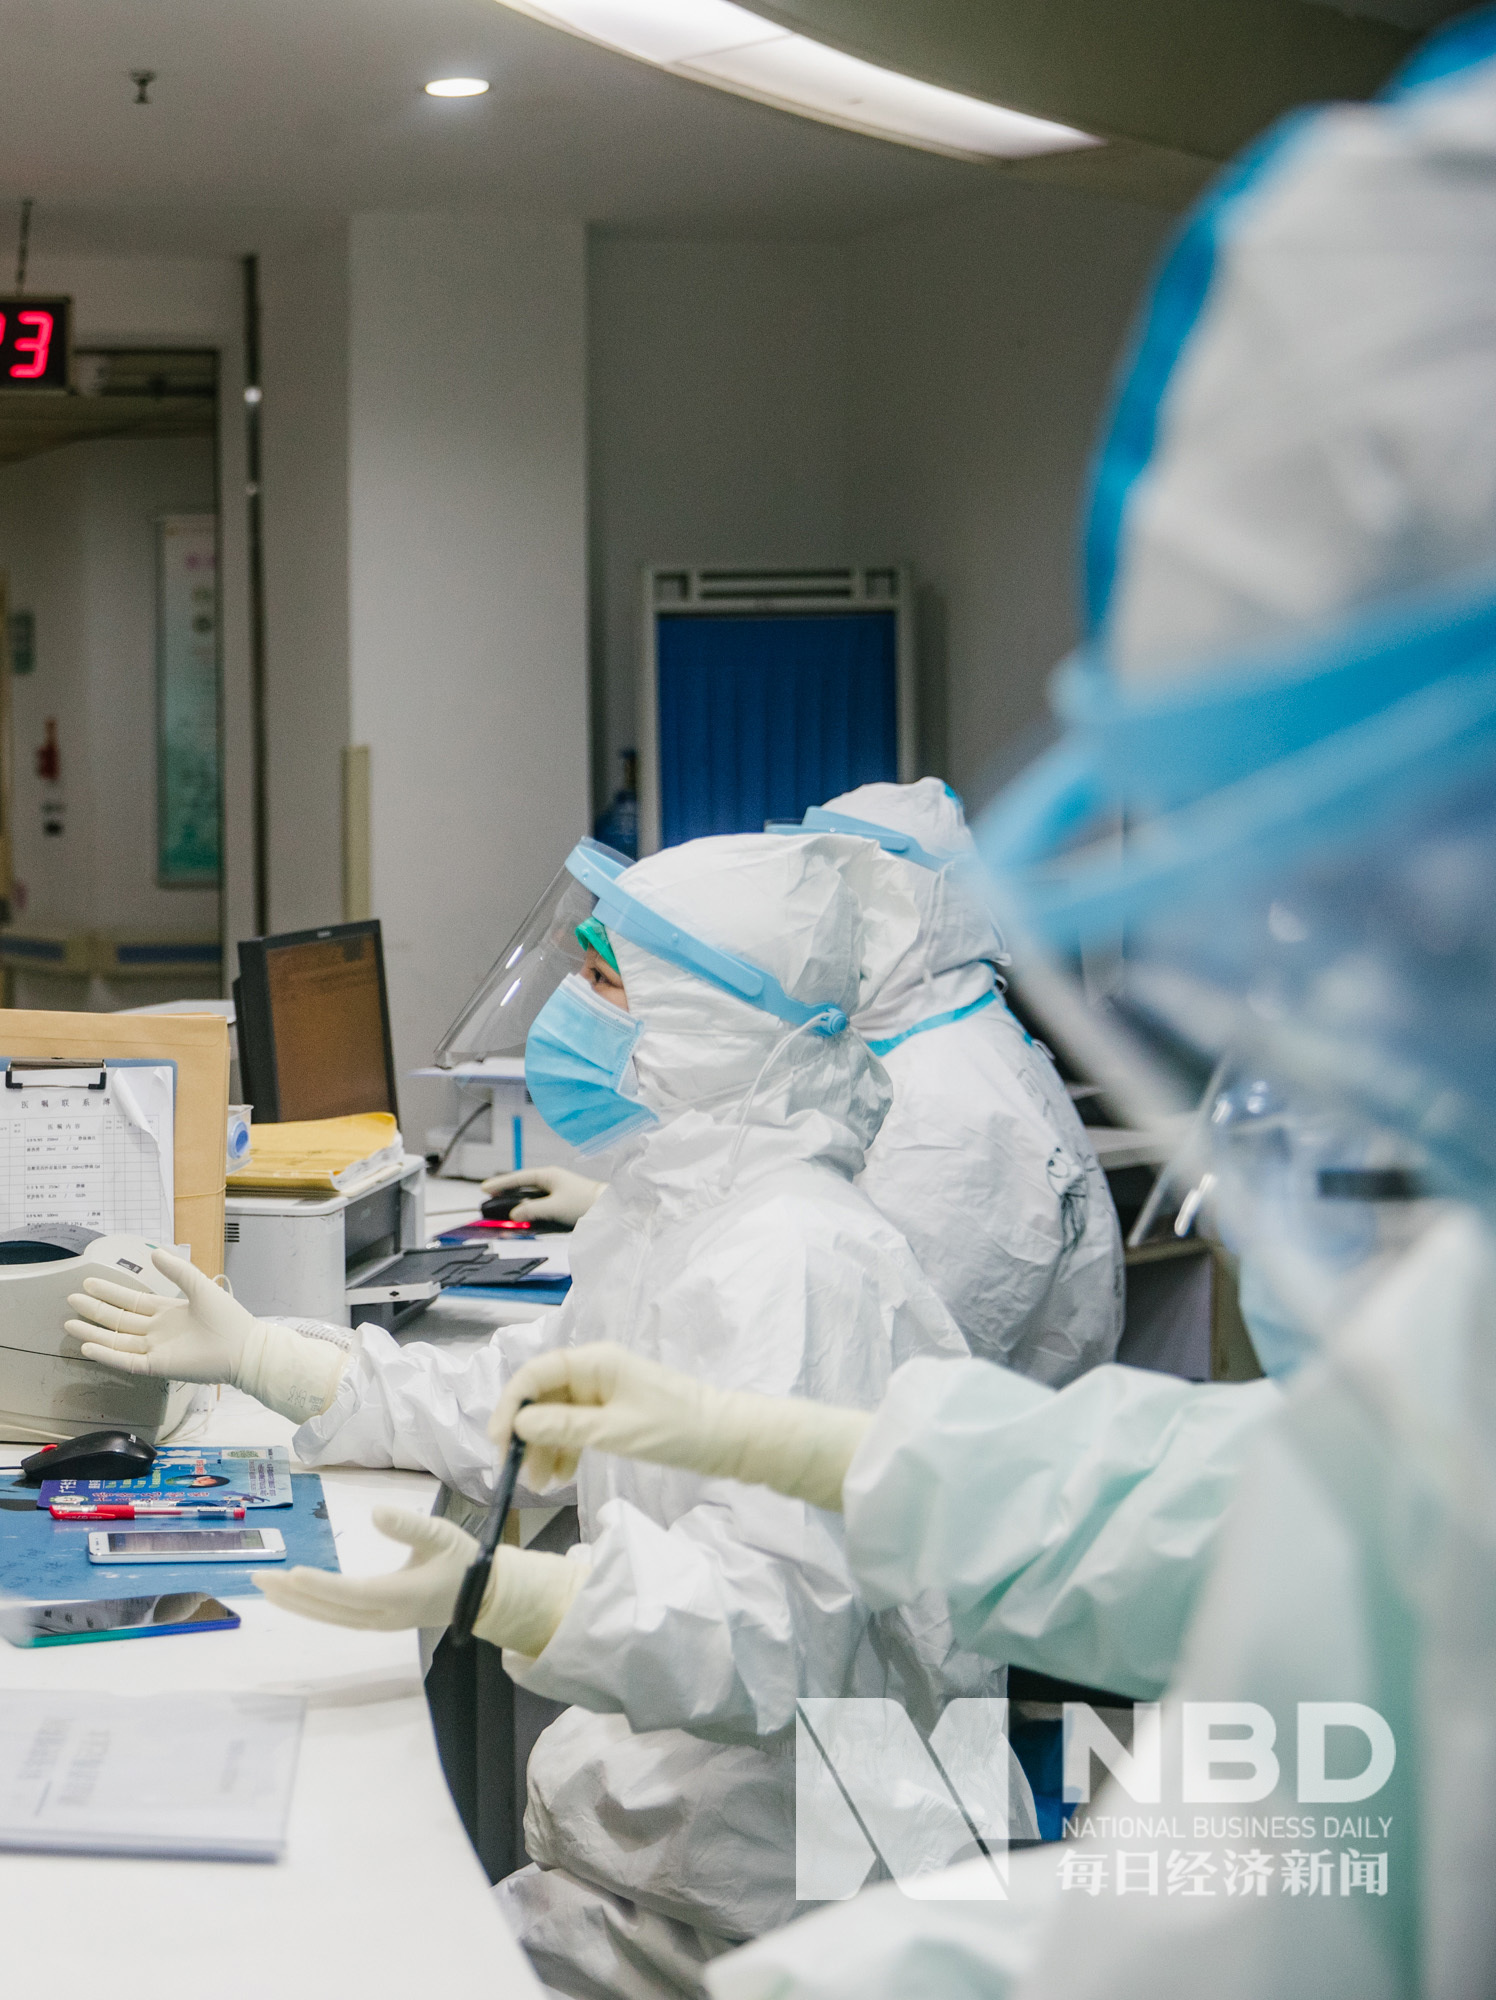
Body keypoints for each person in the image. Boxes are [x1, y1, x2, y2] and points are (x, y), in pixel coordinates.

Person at [516, 28, 1496, 1994]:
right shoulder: (939, 1084)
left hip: (886, 1732)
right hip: (921, 1705)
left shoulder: (937, 1124)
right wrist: (820, 1448)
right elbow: (1329, 1559)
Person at [69, 832, 1004, 2000]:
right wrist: (273, 1358)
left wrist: (509, 1592)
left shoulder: (793, 1262)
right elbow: (517, 1402)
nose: (578, 1005)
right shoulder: (685, 1208)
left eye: (611, 981)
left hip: (786, 1909)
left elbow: (771, 1632)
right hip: (685, 1855)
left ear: (712, 1023)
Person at [492, 780, 1122, 1386]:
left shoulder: (947, 1103)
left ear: (916, 908)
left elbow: (895, 1373)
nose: (824, 915)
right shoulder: (923, 1043)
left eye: (850, 888)